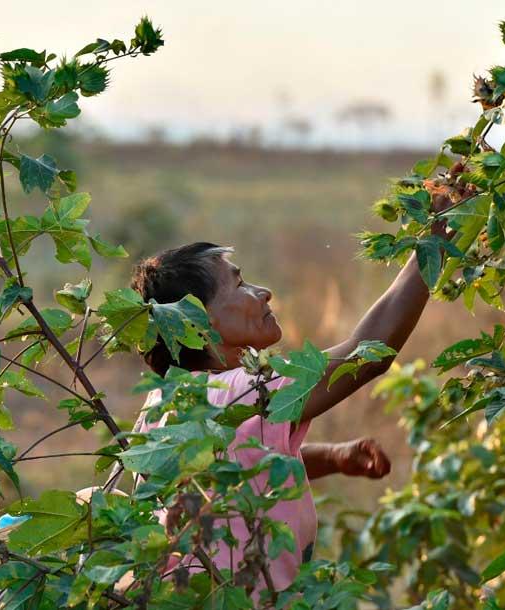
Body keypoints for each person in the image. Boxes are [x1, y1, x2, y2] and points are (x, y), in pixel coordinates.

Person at [125, 178, 457, 591]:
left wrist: (333, 457)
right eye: (240, 284)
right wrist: (438, 238)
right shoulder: (242, 391)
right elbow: (368, 353)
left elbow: (243, 463)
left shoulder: (168, 399)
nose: (263, 293)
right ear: (198, 320)